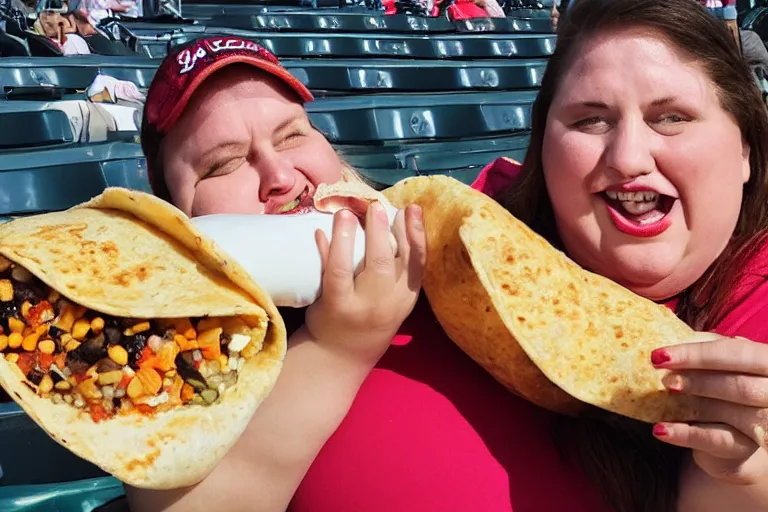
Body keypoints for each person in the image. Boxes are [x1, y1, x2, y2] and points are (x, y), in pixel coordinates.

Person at [129, 36, 611, 512]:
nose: (279, 175)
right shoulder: (162, 358)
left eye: (292, 135)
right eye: (223, 164)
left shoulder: (464, 233)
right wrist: (337, 347)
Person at [485, 0, 768, 510]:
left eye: (672, 117)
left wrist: (743, 482)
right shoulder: (429, 274)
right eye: (591, 121)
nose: (629, 157)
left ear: (746, 150)